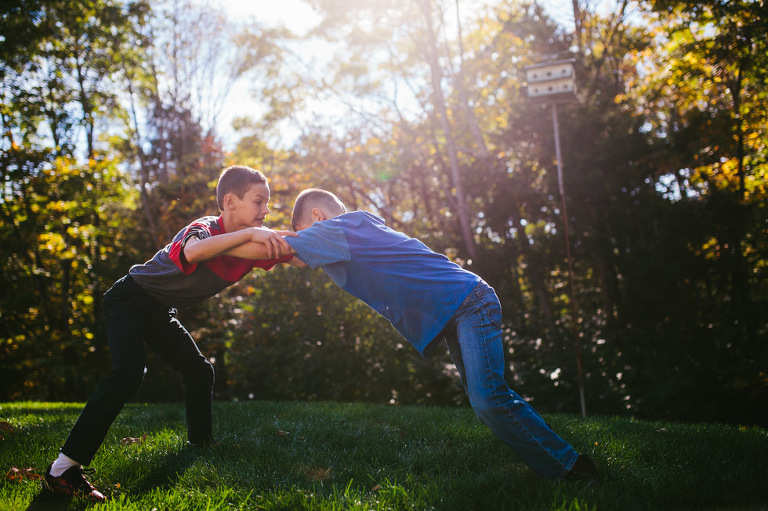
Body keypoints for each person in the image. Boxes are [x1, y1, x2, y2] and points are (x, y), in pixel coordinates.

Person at [231, 188, 600, 484]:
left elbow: (285, 248)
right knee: (488, 399)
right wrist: (260, 239)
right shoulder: (347, 236)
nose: (311, 243)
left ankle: (571, 469)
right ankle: (562, 466)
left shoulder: (340, 227)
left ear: (317, 218)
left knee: (489, 400)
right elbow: (292, 256)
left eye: (308, 233)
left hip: (468, 303)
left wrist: (223, 240)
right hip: (460, 308)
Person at [44, 165, 296, 502]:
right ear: (230, 202)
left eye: (267, 203)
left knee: (199, 370)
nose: (266, 210)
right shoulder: (204, 228)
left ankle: (200, 444)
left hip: (158, 311)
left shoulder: (253, 244)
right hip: (129, 298)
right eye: (259, 201)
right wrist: (252, 234)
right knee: (129, 372)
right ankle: (62, 469)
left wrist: (335, 237)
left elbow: (299, 256)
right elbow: (193, 252)